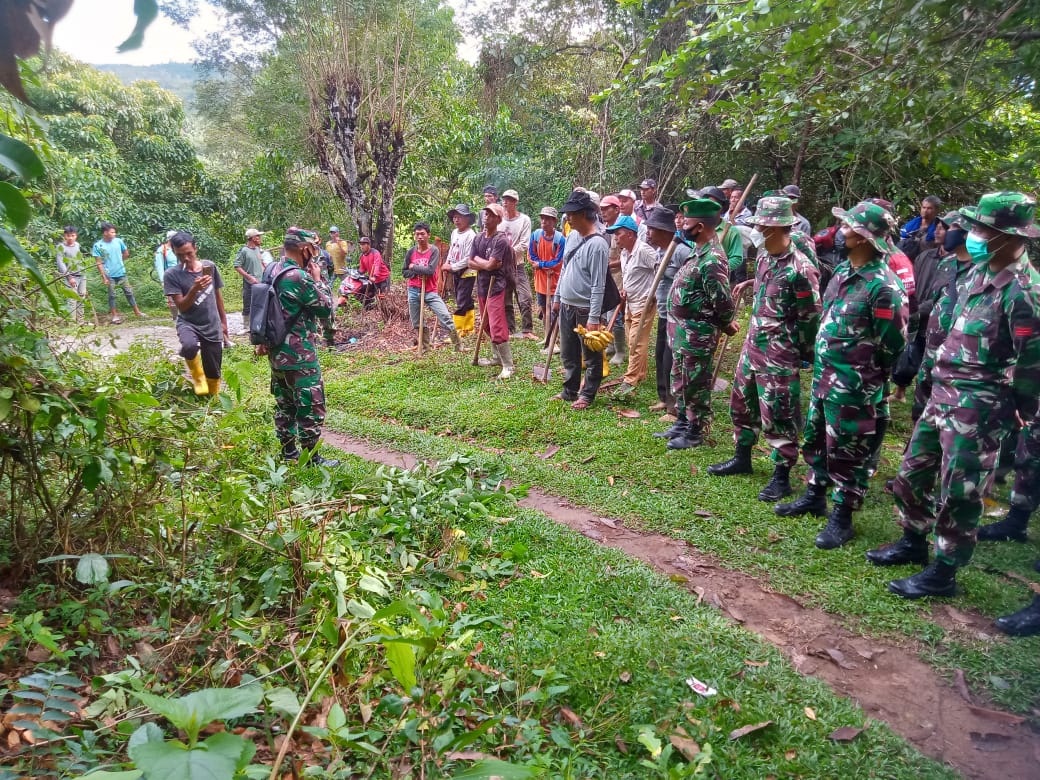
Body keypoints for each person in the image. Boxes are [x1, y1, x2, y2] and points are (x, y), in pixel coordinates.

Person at [866, 192, 1040, 598]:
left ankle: (943, 571)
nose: (974, 235)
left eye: (984, 229)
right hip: (941, 394)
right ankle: (912, 542)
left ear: (1010, 236)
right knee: (911, 475)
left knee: (960, 492)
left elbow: (1030, 366)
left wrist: (1019, 412)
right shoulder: (977, 274)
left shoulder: (1025, 293)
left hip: (979, 405)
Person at [777, 201, 908, 549]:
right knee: (818, 440)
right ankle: (814, 494)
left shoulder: (883, 286)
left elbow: (893, 343)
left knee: (849, 451)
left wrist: (863, 372)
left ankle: (843, 516)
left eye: (848, 228)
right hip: (825, 380)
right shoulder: (843, 274)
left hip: (856, 387)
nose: (841, 232)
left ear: (864, 238)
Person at [709, 196, 821, 500]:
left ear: (779, 227)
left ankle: (781, 475)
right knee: (742, 402)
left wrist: (802, 352)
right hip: (753, 344)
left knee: (779, 412)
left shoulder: (801, 269)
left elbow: (810, 317)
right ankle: (742, 457)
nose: (757, 229)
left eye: (762, 225)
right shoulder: (762, 257)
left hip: (780, 352)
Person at [654, 197, 737, 448]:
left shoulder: (712, 259)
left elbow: (722, 301)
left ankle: (695, 430)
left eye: (686, 221)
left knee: (695, 383)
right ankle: (682, 420)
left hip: (697, 334)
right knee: (680, 379)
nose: (681, 224)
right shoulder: (696, 252)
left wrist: (725, 324)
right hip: (681, 332)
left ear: (699, 227)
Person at [259, 228, 339, 467]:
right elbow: (325, 308)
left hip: (276, 351)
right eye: (312, 251)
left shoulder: (272, 269)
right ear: (304, 249)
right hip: (299, 353)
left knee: (285, 404)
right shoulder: (298, 277)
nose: (314, 256)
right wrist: (318, 280)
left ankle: (288, 452)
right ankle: (311, 458)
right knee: (310, 403)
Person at [552, 189, 611, 409]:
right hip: (567, 304)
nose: (568, 217)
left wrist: (594, 317)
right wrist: (558, 296)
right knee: (569, 353)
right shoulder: (573, 236)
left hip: (586, 309)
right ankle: (569, 390)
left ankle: (587, 394)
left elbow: (599, 285)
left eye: (572, 213)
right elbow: (565, 267)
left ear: (586, 214)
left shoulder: (598, 245)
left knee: (592, 356)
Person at [163, 231, 229, 396]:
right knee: (189, 346)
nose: (185, 258)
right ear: (174, 253)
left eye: (189, 253)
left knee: (213, 368)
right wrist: (194, 289)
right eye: (180, 255)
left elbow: (218, 296)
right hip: (188, 322)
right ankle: (198, 379)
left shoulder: (210, 267)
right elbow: (182, 307)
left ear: (195, 249)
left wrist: (224, 322)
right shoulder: (171, 275)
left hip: (211, 322)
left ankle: (212, 398)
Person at [608, 215, 659, 397]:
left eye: (618, 233)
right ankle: (641, 373)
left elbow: (660, 270)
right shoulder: (624, 253)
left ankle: (629, 380)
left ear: (630, 234)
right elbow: (629, 276)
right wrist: (623, 290)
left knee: (635, 341)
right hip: (630, 302)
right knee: (636, 341)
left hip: (644, 303)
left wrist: (654, 294)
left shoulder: (644, 251)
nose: (616, 237)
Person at [648, 209, 690, 419]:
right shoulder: (659, 252)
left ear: (663, 231)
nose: (648, 234)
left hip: (678, 316)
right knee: (660, 355)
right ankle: (664, 398)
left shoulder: (681, 251)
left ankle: (674, 408)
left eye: (651, 229)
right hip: (664, 313)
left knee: (671, 359)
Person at [469, 202, 515, 379]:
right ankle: (496, 356)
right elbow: (470, 262)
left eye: (490, 214)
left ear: (498, 219)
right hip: (481, 285)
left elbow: (487, 265)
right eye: (485, 213)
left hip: (496, 286)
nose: (486, 216)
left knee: (497, 325)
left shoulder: (501, 239)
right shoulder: (478, 238)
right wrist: (486, 264)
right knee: (486, 324)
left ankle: (508, 365)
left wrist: (484, 264)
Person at [402, 222, 461, 351]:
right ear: (414, 236)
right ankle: (426, 347)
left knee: (444, 315)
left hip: (430, 291)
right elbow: (405, 271)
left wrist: (414, 267)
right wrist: (416, 271)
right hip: (413, 290)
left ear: (428, 235)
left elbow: (430, 271)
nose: (420, 237)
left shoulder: (433, 250)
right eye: (417, 234)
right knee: (417, 321)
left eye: (422, 234)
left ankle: (458, 345)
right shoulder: (411, 252)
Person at [500, 190, 536, 339]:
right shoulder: (499, 219)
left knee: (525, 297)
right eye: (504, 199)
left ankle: (527, 329)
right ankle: (510, 329)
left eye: (509, 199)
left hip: (517, 264)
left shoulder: (524, 220)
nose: (506, 202)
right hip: (501, 265)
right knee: (506, 298)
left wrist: (507, 252)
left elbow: (524, 244)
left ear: (515, 202)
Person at [92, 222, 143, 323]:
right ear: (105, 232)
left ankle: (137, 312)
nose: (114, 234)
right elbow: (98, 262)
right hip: (109, 274)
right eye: (112, 232)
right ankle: (115, 316)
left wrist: (119, 263)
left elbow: (126, 253)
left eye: (115, 232)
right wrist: (104, 276)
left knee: (129, 292)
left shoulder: (119, 241)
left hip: (121, 273)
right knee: (112, 295)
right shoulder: (98, 245)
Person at [697, 186, 748, 284]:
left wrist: (718, 267)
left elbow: (737, 258)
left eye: (713, 204)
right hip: (698, 280)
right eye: (706, 204)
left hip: (721, 281)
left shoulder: (732, 231)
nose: (708, 208)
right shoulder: (698, 229)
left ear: (721, 207)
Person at [529, 206, 565, 335]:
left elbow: (558, 262)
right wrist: (541, 266)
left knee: (555, 309)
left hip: (555, 281)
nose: (544, 221)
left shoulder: (560, 239)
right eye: (542, 218)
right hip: (540, 280)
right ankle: (547, 335)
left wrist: (540, 264)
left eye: (548, 219)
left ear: (554, 221)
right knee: (544, 308)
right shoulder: (536, 235)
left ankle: (556, 335)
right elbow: (531, 256)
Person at [446, 204, 478, 335]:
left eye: (459, 217)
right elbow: (452, 250)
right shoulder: (454, 233)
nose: (456, 220)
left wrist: (452, 267)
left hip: (467, 272)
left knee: (461, 300)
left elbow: (468, 258)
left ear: (467, 219)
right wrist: (447, 262)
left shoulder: (471, 235)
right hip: (455, 271)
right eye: (454, 217)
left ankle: (458, 330)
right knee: (467, 300)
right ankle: (468, 328)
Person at [234, 228, 267, 326]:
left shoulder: (257, 249)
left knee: (260, 303)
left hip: (260, 282)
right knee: (248, 303)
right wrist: (249, 277)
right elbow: (237, 266)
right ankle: (246, 325)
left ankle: (258, 324)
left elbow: (260, 262)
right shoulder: (243, 251)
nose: (260, 238)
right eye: (258, 236)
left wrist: (266, 268)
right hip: (249, 283)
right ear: (253, 238)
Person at [56, 225, 88, 322]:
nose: (70, 238)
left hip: (81, 274)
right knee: (71, 300)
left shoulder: (77, 245)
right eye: (68, 235)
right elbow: (60, 263)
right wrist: (69, 277)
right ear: (64, 236)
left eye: (73, 235)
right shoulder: (61, 247)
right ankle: (72, 323)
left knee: (81, 297)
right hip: (70, 276)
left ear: (76, 236)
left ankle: (80, 321)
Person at [899, 195, 942, 259]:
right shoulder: (910, 226)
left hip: (928, 262)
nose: (925, 210)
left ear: (936, 210)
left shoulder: (940, 228)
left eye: (929, 208)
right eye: (924, 207)